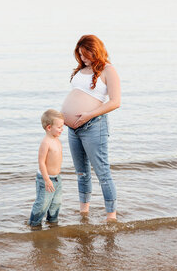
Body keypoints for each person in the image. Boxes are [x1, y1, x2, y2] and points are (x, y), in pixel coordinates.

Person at [61, 35, 120, 220]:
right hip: (73, 129)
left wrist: (88, 115)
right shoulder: (82, 70)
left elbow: (115, 102)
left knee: (102, 173)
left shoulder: (108, 70)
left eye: (86, 54)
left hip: (94, 126)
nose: (83, 58)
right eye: (80, 54)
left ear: (95, 51)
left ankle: (111, 216)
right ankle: (84, 213)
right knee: (81, 173)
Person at [28, 109, 64, 228]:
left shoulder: (56, 139)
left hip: (57, 179)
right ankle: (34, 224)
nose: (62, 129)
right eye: (59, 127)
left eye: (62, 126)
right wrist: (46, 179)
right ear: (49, 128)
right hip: (46, 179)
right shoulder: (46, 142)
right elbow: (41, 162)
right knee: (42, 204)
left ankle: (52, 223)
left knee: (56, 203)